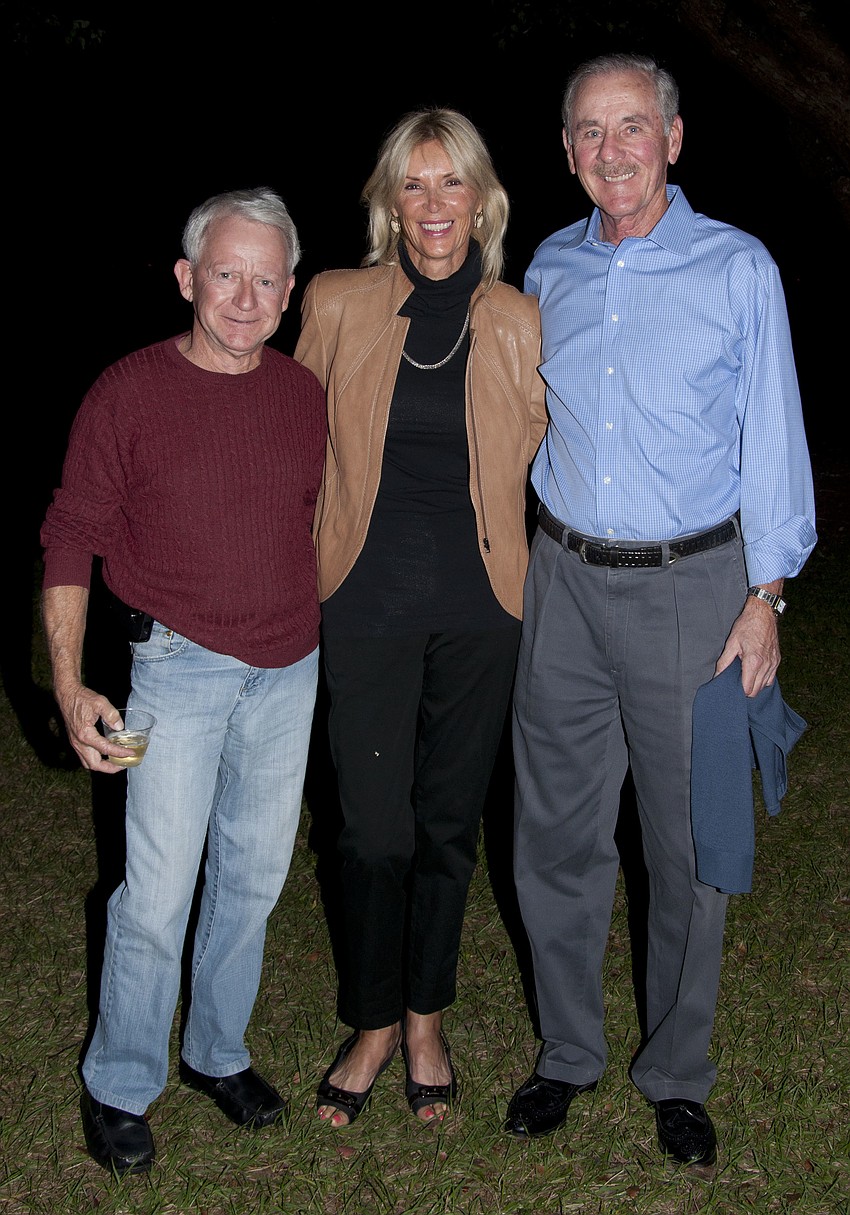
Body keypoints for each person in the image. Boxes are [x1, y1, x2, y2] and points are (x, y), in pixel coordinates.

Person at [504, 53, 816, 1166]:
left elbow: (772, 437)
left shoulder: (737, 268)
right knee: (555, 837)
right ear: (567, 151)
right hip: (565, 587)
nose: (609, 149)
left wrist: (764, 591)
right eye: (587, 131)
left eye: (630, 125)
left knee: (689, 846)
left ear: (673, 139)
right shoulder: (546, 268)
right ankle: (567, 1055)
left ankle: (676, 1073)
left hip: (696, 588)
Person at [40, 188, 326, 1175]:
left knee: (250, 881)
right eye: (225, 274)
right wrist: (72, 684)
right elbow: (70, 535)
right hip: (172, 669)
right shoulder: (124, 392)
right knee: (155, 898)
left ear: (288, 290)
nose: (244, 297)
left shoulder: (302, 394)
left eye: (265, 279)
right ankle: (120, 1083)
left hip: (290, 670)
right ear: (186, 278)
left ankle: (215, 1053)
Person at [294, 108, 547, 1127]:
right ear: (388, 203)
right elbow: (286, 438)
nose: (433, 205)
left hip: (483, 609)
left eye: (452, 185)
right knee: (369, 830)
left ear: (481, 202)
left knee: (448, 826)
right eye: (413, 184)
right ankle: (371, 1023)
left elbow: (544, 448)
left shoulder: (520, 318)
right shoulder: (338, 301)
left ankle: (425, 1016)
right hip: (361, 599)